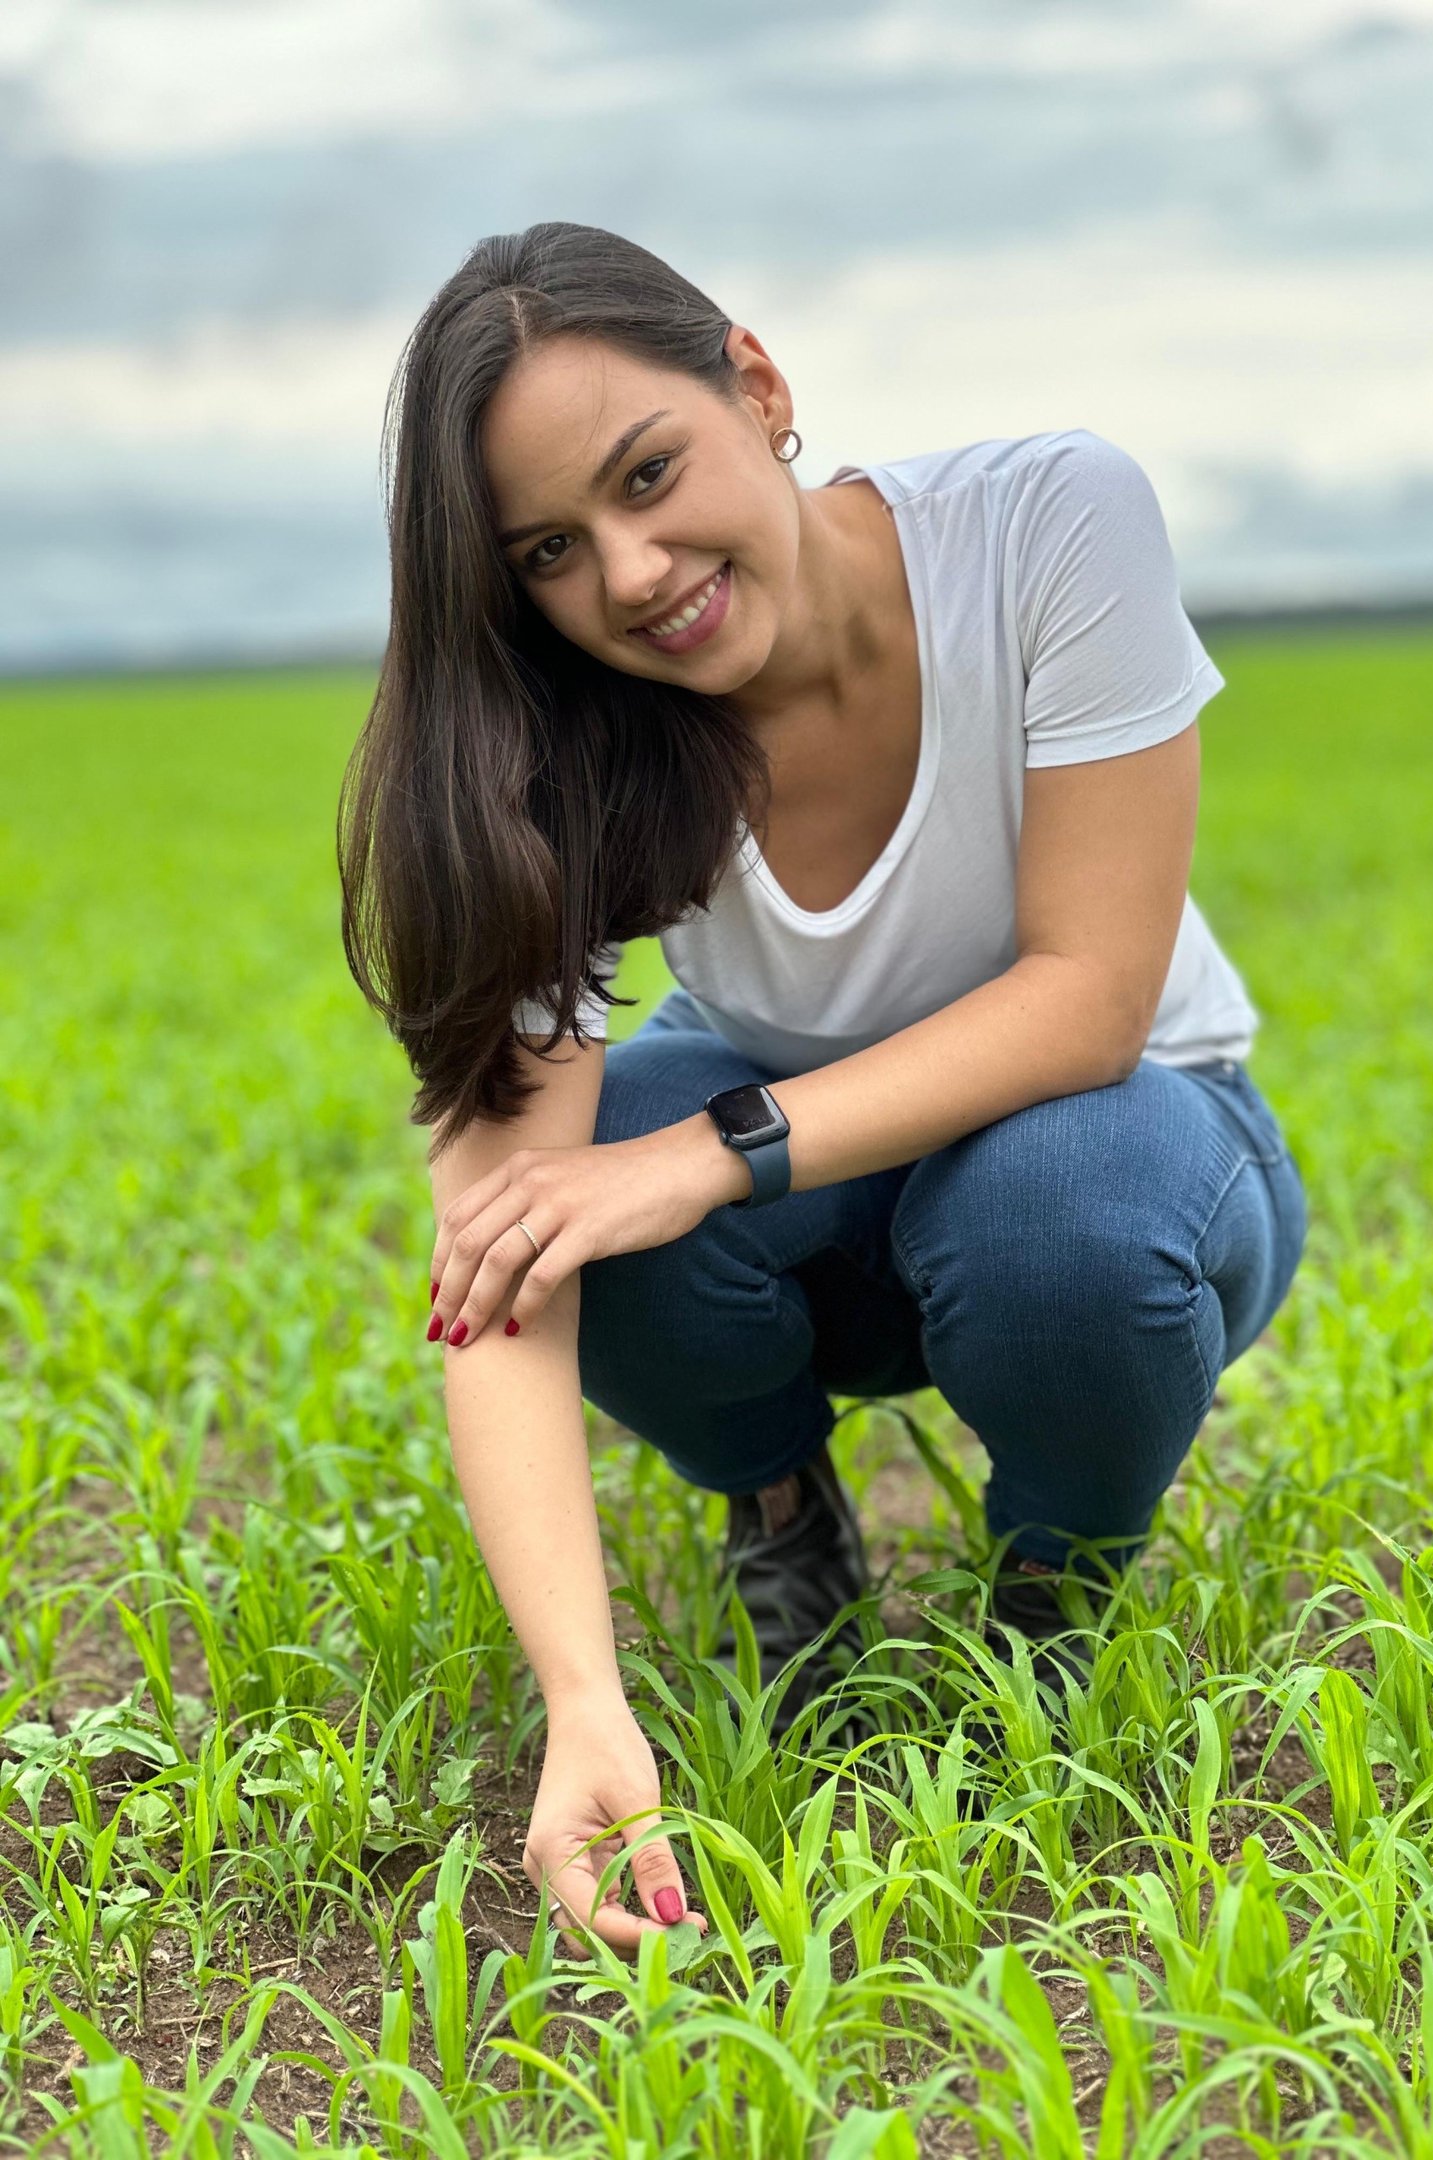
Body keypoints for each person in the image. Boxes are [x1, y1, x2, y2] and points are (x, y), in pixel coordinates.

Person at [337, 220, 1308, 1956]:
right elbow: (489, 1267)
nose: (630, 573)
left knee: (1057, 1211)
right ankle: (783, 1512)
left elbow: (1087, 1003)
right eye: (553, 550)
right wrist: (584, 1702)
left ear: (759, 384)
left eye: (650, 476)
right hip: (833, 1208)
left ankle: (1055, 1577)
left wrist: (704, 1159)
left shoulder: (1047, 522)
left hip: (1139, 1145)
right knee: (577, 1192)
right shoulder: (564, 751)